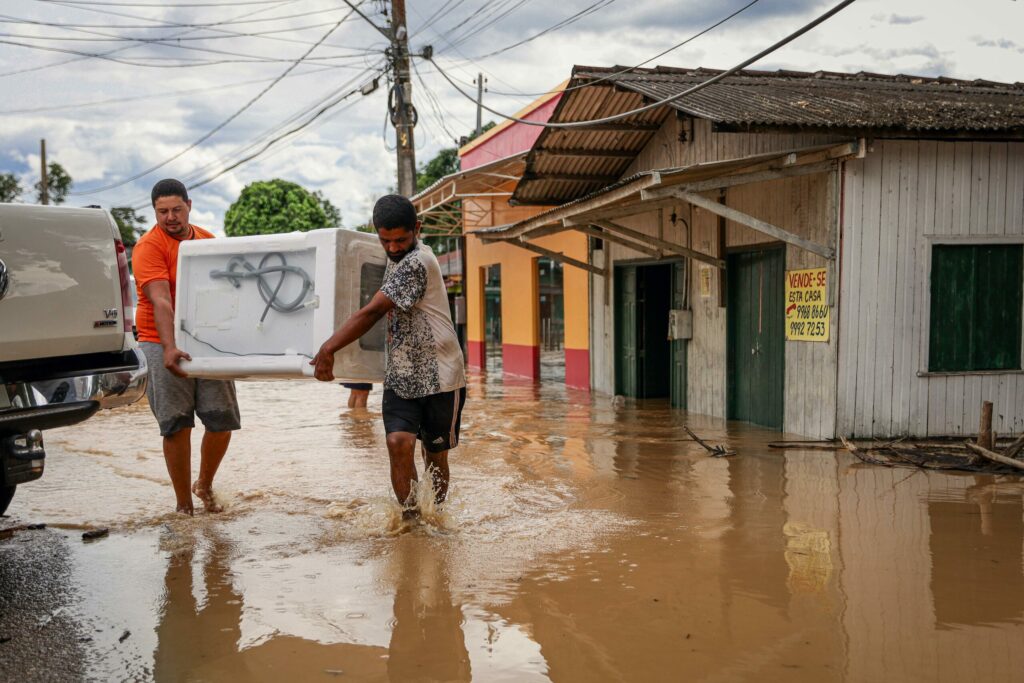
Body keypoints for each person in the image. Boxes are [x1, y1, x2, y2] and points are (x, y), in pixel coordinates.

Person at [311, 195, 466, 517]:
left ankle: (435, 517)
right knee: (398, 443)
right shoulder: (394, 255)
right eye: (386, 241)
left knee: (435, 455)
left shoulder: (417, 262)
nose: (393, 248)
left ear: (417, 229)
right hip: (401, 374)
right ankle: (411, 521)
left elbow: (372, 312)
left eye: (401, 240)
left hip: (441, 377)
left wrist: (328, 349)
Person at [133, 179, 241, 515]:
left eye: (176, 209)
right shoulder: (148, 247)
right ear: (154, 212)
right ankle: (184, 506)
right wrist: (169, 347)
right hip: (158, 339)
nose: (170, 217)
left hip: (206, 338)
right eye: (162, 211)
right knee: (177, 423)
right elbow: (161, 301)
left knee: (222, 419)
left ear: (189, 206)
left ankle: (204, 484)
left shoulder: (208, 241)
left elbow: (228, 294)